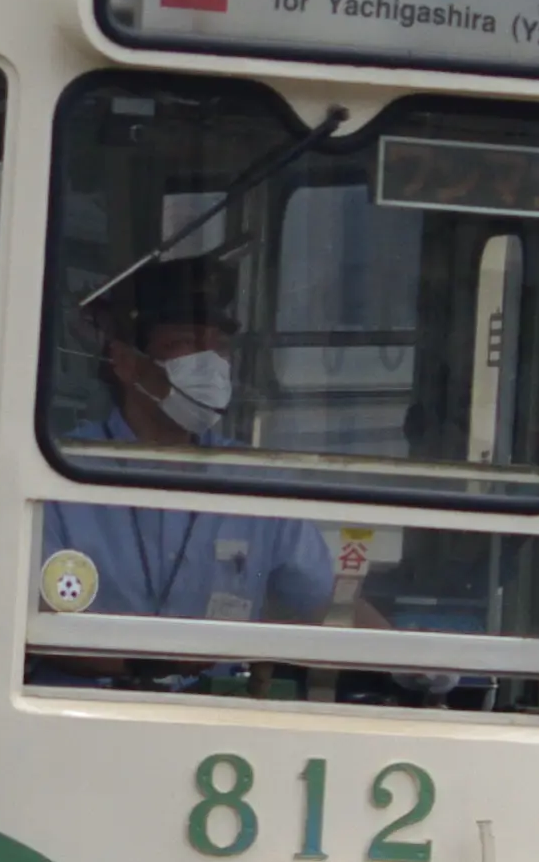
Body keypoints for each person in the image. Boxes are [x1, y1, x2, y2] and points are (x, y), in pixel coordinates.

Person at [36, 259, 343, 627]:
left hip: (217, 685)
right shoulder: (60, 470)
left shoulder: (253, 479)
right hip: (81, 685)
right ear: (125, 362)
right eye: (183, 343)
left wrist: (420, 664)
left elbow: (323, 603)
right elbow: (32, 618)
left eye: (220, 347)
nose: (210, 364)